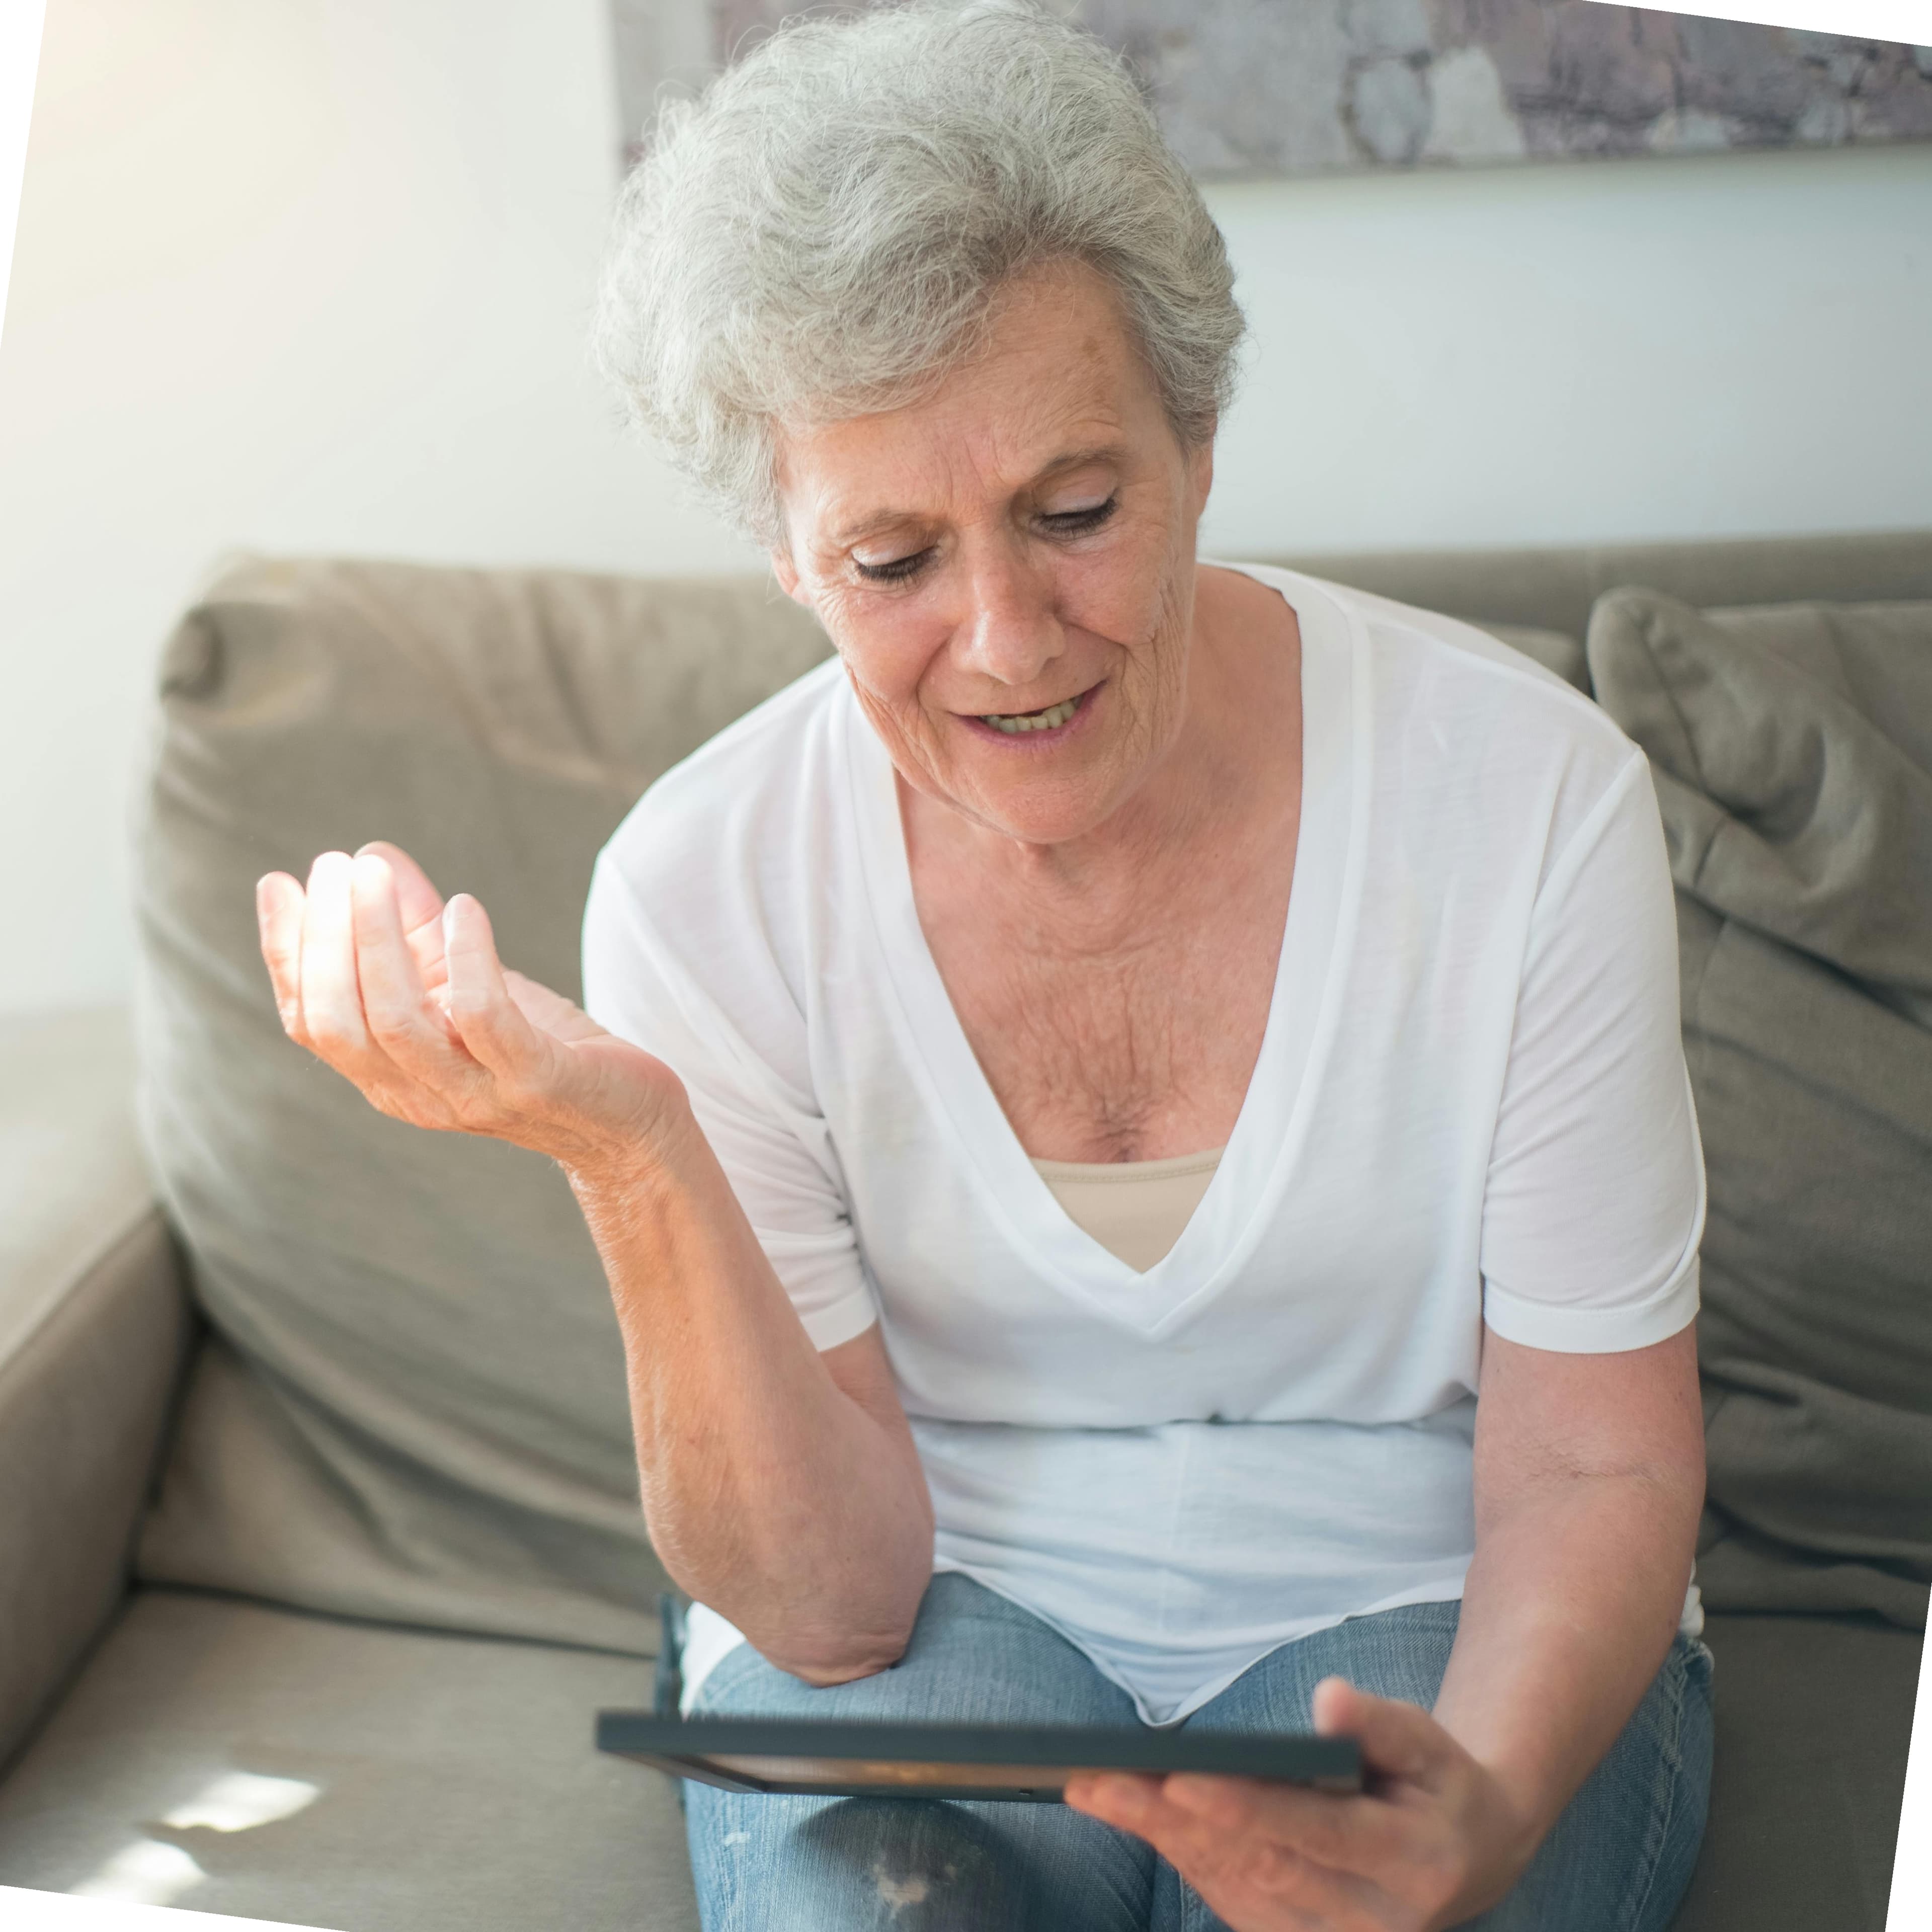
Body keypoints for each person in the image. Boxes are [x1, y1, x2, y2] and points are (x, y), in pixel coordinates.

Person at [254, 5, 1712, 1927]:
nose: (1012, 639)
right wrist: (635, 1154)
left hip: (1444, 1615)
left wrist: (1496, 1799)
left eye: (1077, 511)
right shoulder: (703, 885)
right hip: (941, 1620)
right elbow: (829, 1602)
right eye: (893, 563)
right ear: (785, 548)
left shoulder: (1530, 799)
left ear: (1197, 444)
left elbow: (1596, 1475)